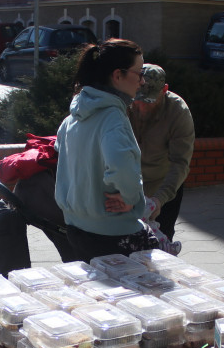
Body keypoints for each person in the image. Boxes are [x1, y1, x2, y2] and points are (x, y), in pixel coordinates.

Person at [54, 38, 159, 263]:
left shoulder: (73, 117)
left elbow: (63, 157)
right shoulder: (113, 118)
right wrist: (131, 198)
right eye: (139, 73)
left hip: (75, 227)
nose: (142, 81)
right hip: (113, 232)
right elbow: (121, 166)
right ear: (117, 75)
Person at [128, 63, 195, 243]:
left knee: (160, 242)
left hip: (163, 186)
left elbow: (180, 163)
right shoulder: (124, 102)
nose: (142, 107)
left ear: (164, 90)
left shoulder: (178, 112)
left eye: (149, 101)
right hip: (129, 186)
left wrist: (159, 200)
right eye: (138, 100)